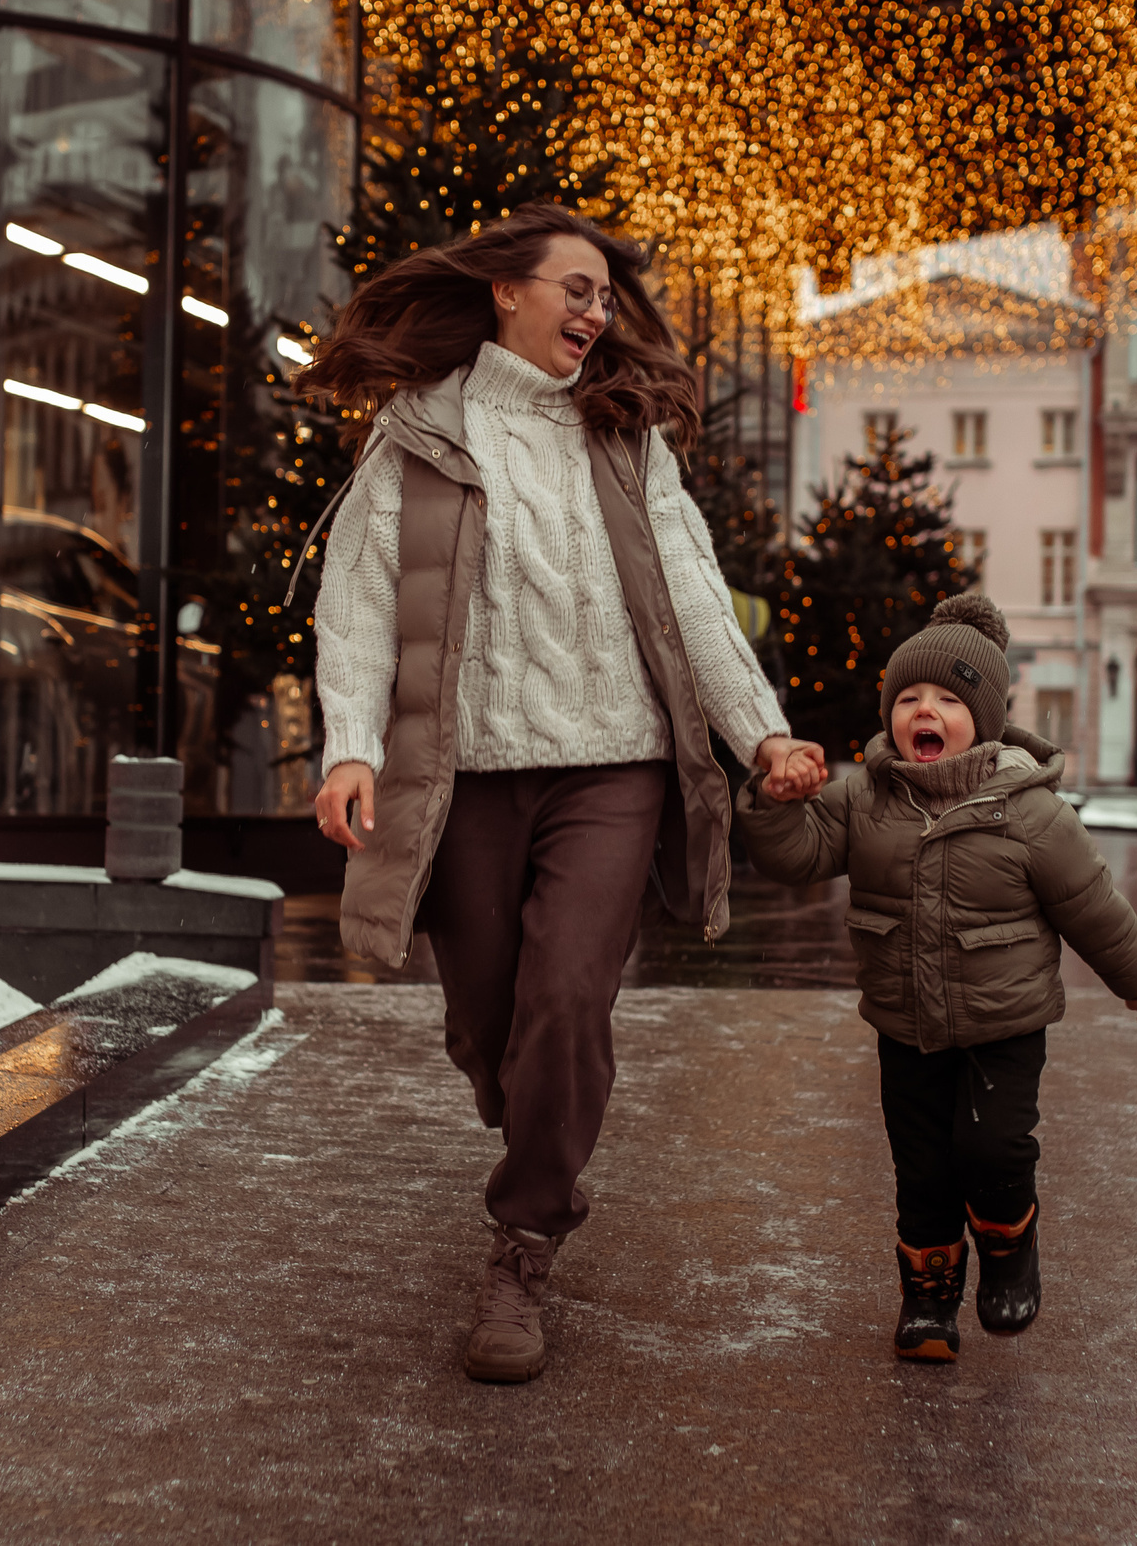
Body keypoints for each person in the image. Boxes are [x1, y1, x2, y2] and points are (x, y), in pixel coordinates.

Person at [296, 204, 827, 1385]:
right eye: (572, 290)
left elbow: (693, 592)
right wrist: (350, 746)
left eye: (601, 298)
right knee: (501, 1022)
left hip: (612, 764)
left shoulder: (627, 437)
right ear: (505, 292)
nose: (593, 315)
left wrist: (762, 736)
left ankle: (522, 1244)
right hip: (466, 775)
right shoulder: (419, 433)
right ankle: (526, 1092)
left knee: (570, 994)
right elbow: (361, 601)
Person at [735, 593, 1137, 1362]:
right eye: (908, 698)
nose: (924, 710)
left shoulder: (1030, 812)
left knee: (995, 1152)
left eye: (946, 698)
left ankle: (1009, 1246)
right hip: (905, 1025)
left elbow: (1091, 905)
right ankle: (929, 1299)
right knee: (924, 1169)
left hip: (1004, 1026)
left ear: (985, 716)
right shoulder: (865, 798)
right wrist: (776, 805)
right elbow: (795, 856)